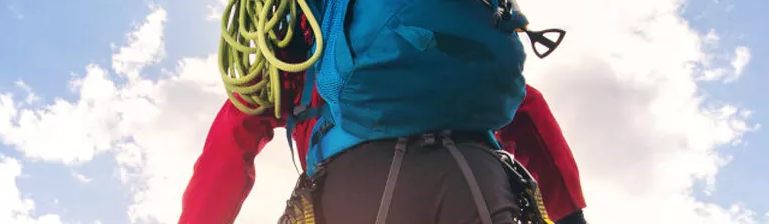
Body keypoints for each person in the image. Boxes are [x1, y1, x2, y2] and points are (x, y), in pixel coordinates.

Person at [179, 71, 588, 224]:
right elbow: (523, 103)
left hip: (354, 186)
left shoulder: (306, 24)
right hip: (473, 173)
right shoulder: (450, 6)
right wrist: (569, 212)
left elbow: (238, 126)